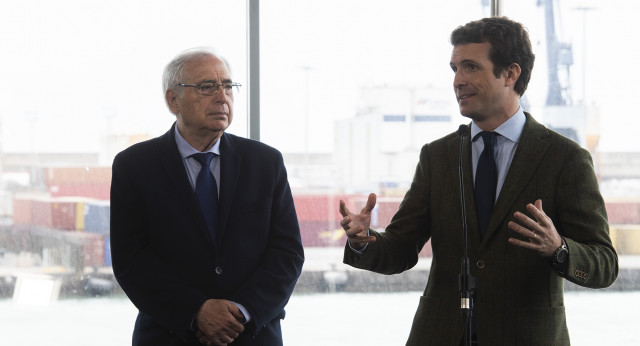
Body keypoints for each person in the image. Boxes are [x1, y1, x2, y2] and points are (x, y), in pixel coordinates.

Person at [339, 17, 618, 345]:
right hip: (440, 335)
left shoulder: (565, 159)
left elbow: (605, 263)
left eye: (471, 67)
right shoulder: (437, 157)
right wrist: (363, 240)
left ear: (511, 74)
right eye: (454, 68)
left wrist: (559, 248)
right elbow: (400, 248)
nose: (458, 80)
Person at [110, 48, 304, 346]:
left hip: (252, 334)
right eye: (206, 87)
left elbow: (287, 252)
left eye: (227, 86)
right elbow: (130, 259)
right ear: (173, 100)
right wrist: (196, 312)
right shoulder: (134, 166)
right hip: (170, 334)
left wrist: (240, 312)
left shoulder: (265, 162)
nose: (221, 96)